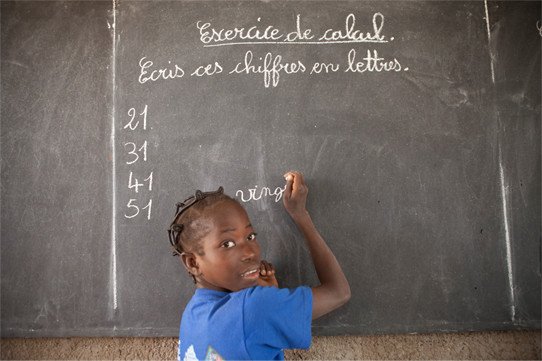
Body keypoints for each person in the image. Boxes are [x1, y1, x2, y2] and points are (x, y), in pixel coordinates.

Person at [168, 171, 350, 360]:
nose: (250, 252)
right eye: (227, 244)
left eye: (251, 237)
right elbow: (338, 292)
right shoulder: (255, 307)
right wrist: (300, 215)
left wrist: (267, 294)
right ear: (192, 262)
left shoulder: (192, 315)